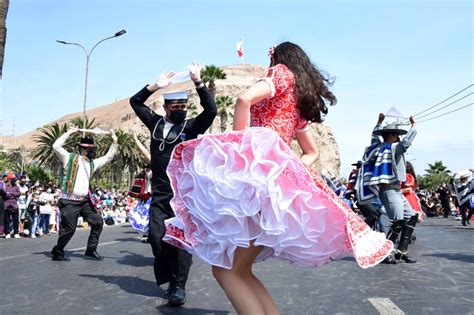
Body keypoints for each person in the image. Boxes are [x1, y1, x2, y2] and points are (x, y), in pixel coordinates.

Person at [163, 42, 392, 314]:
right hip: (272, 187)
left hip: (257, 182)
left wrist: (239, 148)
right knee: (239, 270)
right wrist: (286, 168)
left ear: (279, 58)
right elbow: (312, 152)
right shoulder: (298, 95)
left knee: (228, 271)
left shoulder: (281, 73)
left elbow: (243, 99)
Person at [129, 62, 217, 306]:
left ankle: (178, 286)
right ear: (166, 106)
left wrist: (198, 82)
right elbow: (135, 102)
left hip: (183, 196)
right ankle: (171, 279)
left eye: (183, 105)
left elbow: (210, 111)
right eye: (176, 106)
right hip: (159, 196)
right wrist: (155, 86)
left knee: (180, 242)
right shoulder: (155, 123)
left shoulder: (190, 128)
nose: (180, 109)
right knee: (158, 239)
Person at [357, 113, 418, 264]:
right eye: (396, 135)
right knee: (397, 222)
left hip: (396, 190)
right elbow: (405, 144)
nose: (398, 137)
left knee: (412, 216)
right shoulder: (391, 148)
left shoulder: (380, 147)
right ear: (391, 136)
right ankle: (386, 253)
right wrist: (413, 127)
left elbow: (374, 137)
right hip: (389, 190)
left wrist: (379, 122)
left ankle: (401, 251)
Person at [50, 128, 118, 261]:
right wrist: (69, 133)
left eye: (93, 149)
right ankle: (58, 251)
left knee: (98, 222)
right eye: (90, 149)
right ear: (82, 149)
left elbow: (108, 157)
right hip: (69, 201)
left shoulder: (93, 163)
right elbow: (56, 146)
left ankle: (91, 250)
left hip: (85, 201)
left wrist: (114, 142)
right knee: (69, 230)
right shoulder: (69, 158)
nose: (93, 152)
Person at [3, 173, 20, 238]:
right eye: (13, 179)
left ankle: (16, 233)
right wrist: (12, 194)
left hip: (14, 205)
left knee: (16, 220)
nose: (14, 180)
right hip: (6, 205)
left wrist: (10, 193)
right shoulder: (5, 186)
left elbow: (18, 194)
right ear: (9, 179)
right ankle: (7, 233)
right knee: (6, 220)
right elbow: (4, 194)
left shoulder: (16, 187)